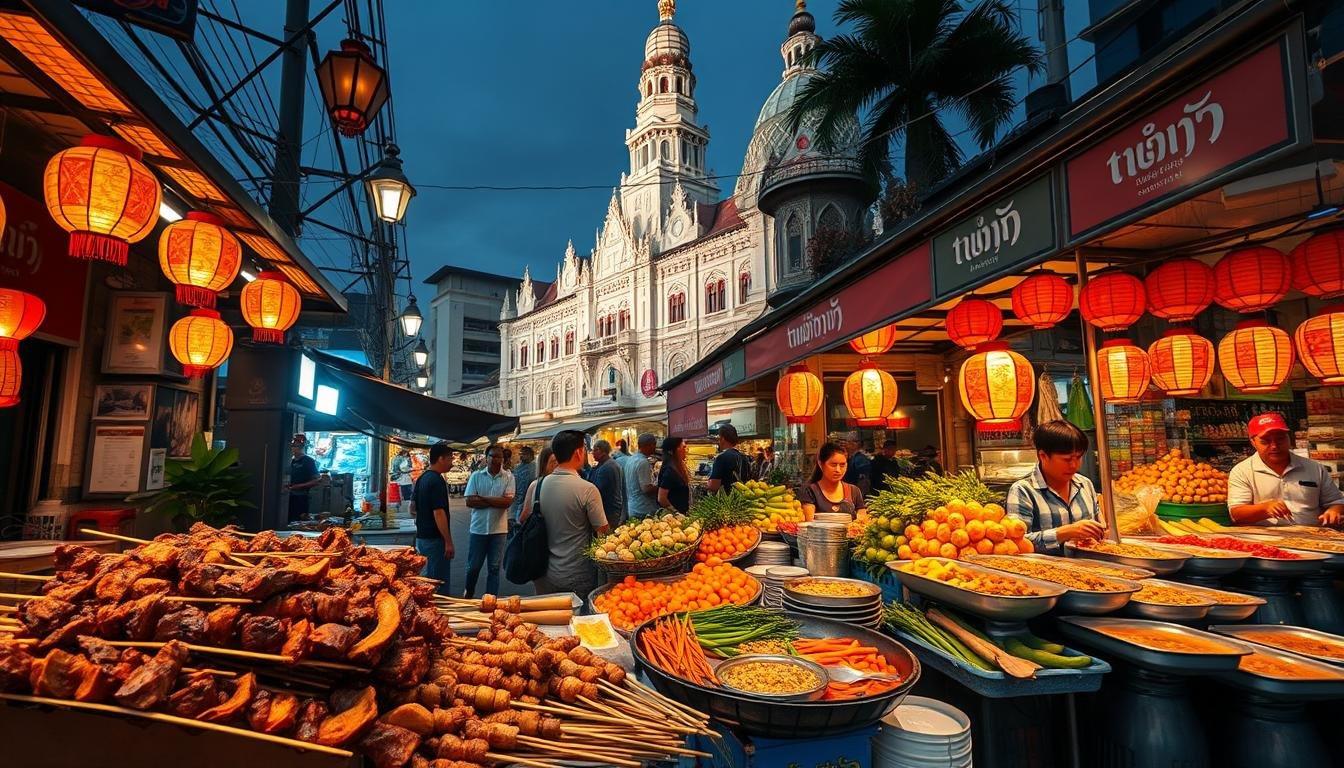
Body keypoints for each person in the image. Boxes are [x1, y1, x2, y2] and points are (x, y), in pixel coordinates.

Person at [519, 430, 610, 597]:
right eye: (584, 448)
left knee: (548, 619)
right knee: (577, 620)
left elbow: (523, 519)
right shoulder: (587, 490)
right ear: (578, 452)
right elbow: (603, 531)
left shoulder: (536, 486)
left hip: (542, 572)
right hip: (577, 574)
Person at [1005, 420, 1104, 555]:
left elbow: (1099, 526)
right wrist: (1065, 532)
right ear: (1043, 456)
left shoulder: (1085, 484)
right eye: (1067, 459)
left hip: (1090, 570)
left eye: (1078, 457)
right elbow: (1017, 543)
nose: (1074, 465)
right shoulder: (1023, 491)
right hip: (1044, 573)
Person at [1228, 413, 1344, 526]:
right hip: (1266, 538)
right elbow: (1236, 514)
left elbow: (1336, 502)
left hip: (1315, 535)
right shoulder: (1242, 471)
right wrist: (1264, 509)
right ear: (1253, 442)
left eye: (1280, 439)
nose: (1274, 446)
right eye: (1265, 441)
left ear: (1289, 438)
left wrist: (1334, 511)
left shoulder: (1314, 468)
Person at [463, 444, 514, 599]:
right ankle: (469, 592)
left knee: (494, 568)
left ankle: (491, 599)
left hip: (499, 531)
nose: (494, 459)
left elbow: (507, 503)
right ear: (486, 458)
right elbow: (470, 502)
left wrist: (483, 498)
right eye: (491, 456)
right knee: (473, 567)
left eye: (497, 456)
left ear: (503, 459)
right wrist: (496, 501)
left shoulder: (509, 477)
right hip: (478, 530)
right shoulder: (476, 476)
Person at [412, 441, 455, 595]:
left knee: (427, 579)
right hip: (435, 539)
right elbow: (439, 513)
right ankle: (439, 613)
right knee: (438, 582)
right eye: (450, 459)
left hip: (422, 537)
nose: (452, 463)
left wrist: (423, 518)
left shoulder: (422, 479)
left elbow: (412, 508)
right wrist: (448, 542)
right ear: (441, 459)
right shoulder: (437, 481)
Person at [799, 442, 868, 520]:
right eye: (833, 465)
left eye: (842, 465)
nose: (838, 470)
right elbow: (810, 524)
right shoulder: (809, 491)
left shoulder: (854, 491)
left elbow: (862, 520)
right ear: (821, 464)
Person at [589, 439, 627, 528]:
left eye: (594, 450)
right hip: (611, 510)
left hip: (610, 512)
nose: (592, 453)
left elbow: (596, 489)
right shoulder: (603, 465)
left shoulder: (608, 467)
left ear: (601, 451)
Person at [283, 434, 320, 523]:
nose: (294, 448)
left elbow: (316, 480)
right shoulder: (289, 461)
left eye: (296, 446)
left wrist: (298, 486)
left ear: (302, 447)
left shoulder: (308, 461)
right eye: (293, 445)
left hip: (301, 497)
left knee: (299, 522)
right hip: (288, 497)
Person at [623, 432, 661, 519]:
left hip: (632, 507)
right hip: (643, 510)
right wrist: (660, 487)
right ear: (648, 445)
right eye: (654, 444)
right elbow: (646, 489)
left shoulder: (631, 459)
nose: (655, 447)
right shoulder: (643, 462)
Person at [706, 424, 751, 493]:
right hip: (744, 499)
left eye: (719, 437)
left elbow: (714, 486)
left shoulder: (721, 458)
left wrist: (707, 483)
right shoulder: (745, 457)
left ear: (723, 439)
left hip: (726, 502)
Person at [657, 436, 692, 513]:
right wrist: (676, 513)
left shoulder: (677, 467)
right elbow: (661, 498)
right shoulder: (670, 471)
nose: (686, 451)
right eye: (683, 448)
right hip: (674, 518)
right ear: (674, 450)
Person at [508, 445, 536, 537]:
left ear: (530, 455)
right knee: (514, 521)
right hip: (516, 498)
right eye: (521, 454)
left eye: (524, 454)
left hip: (529, 499)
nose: (521, 456)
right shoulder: (517, 467)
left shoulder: (535, 467)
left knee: (524, 523)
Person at [841, 432, 872, 497]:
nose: (845, 444)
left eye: (847, 442)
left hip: (855, 495)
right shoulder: (849, 458)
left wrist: (858, 497)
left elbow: (863, 482)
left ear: (853, 444)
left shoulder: (861, 460)